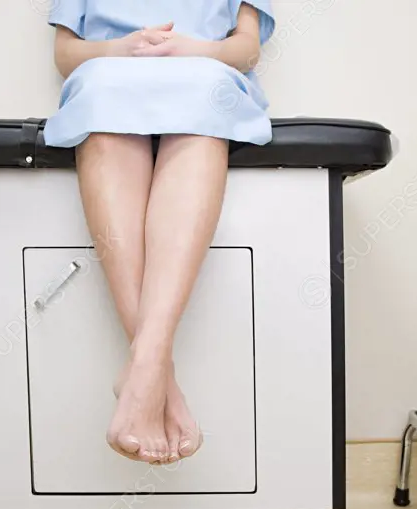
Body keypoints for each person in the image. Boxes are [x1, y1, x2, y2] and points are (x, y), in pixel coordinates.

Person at [44, 0, 276, 466]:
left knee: (206, 88)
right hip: (109, 74)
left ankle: (144, 369)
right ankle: (158, 378)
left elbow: (247, 49)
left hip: (205, 73)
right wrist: (119, 48)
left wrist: (194, 49)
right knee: (102, 88)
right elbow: (66, 54)